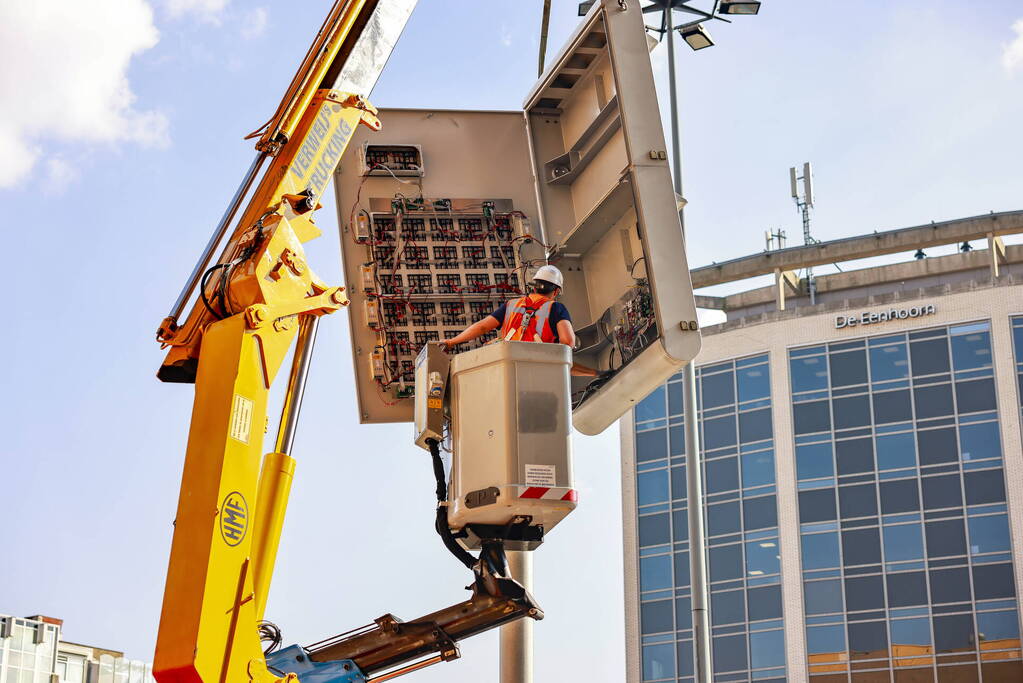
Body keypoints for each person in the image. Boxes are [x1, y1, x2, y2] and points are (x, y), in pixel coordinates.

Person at [442, 264, 598, 376]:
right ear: (556, 291)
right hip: (535, 368)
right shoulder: (556, 308)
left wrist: (451, 342)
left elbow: (482, 327)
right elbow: (567, 344)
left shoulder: (511, 305)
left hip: (504, 365)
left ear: (534, 286)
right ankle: (597, 374)